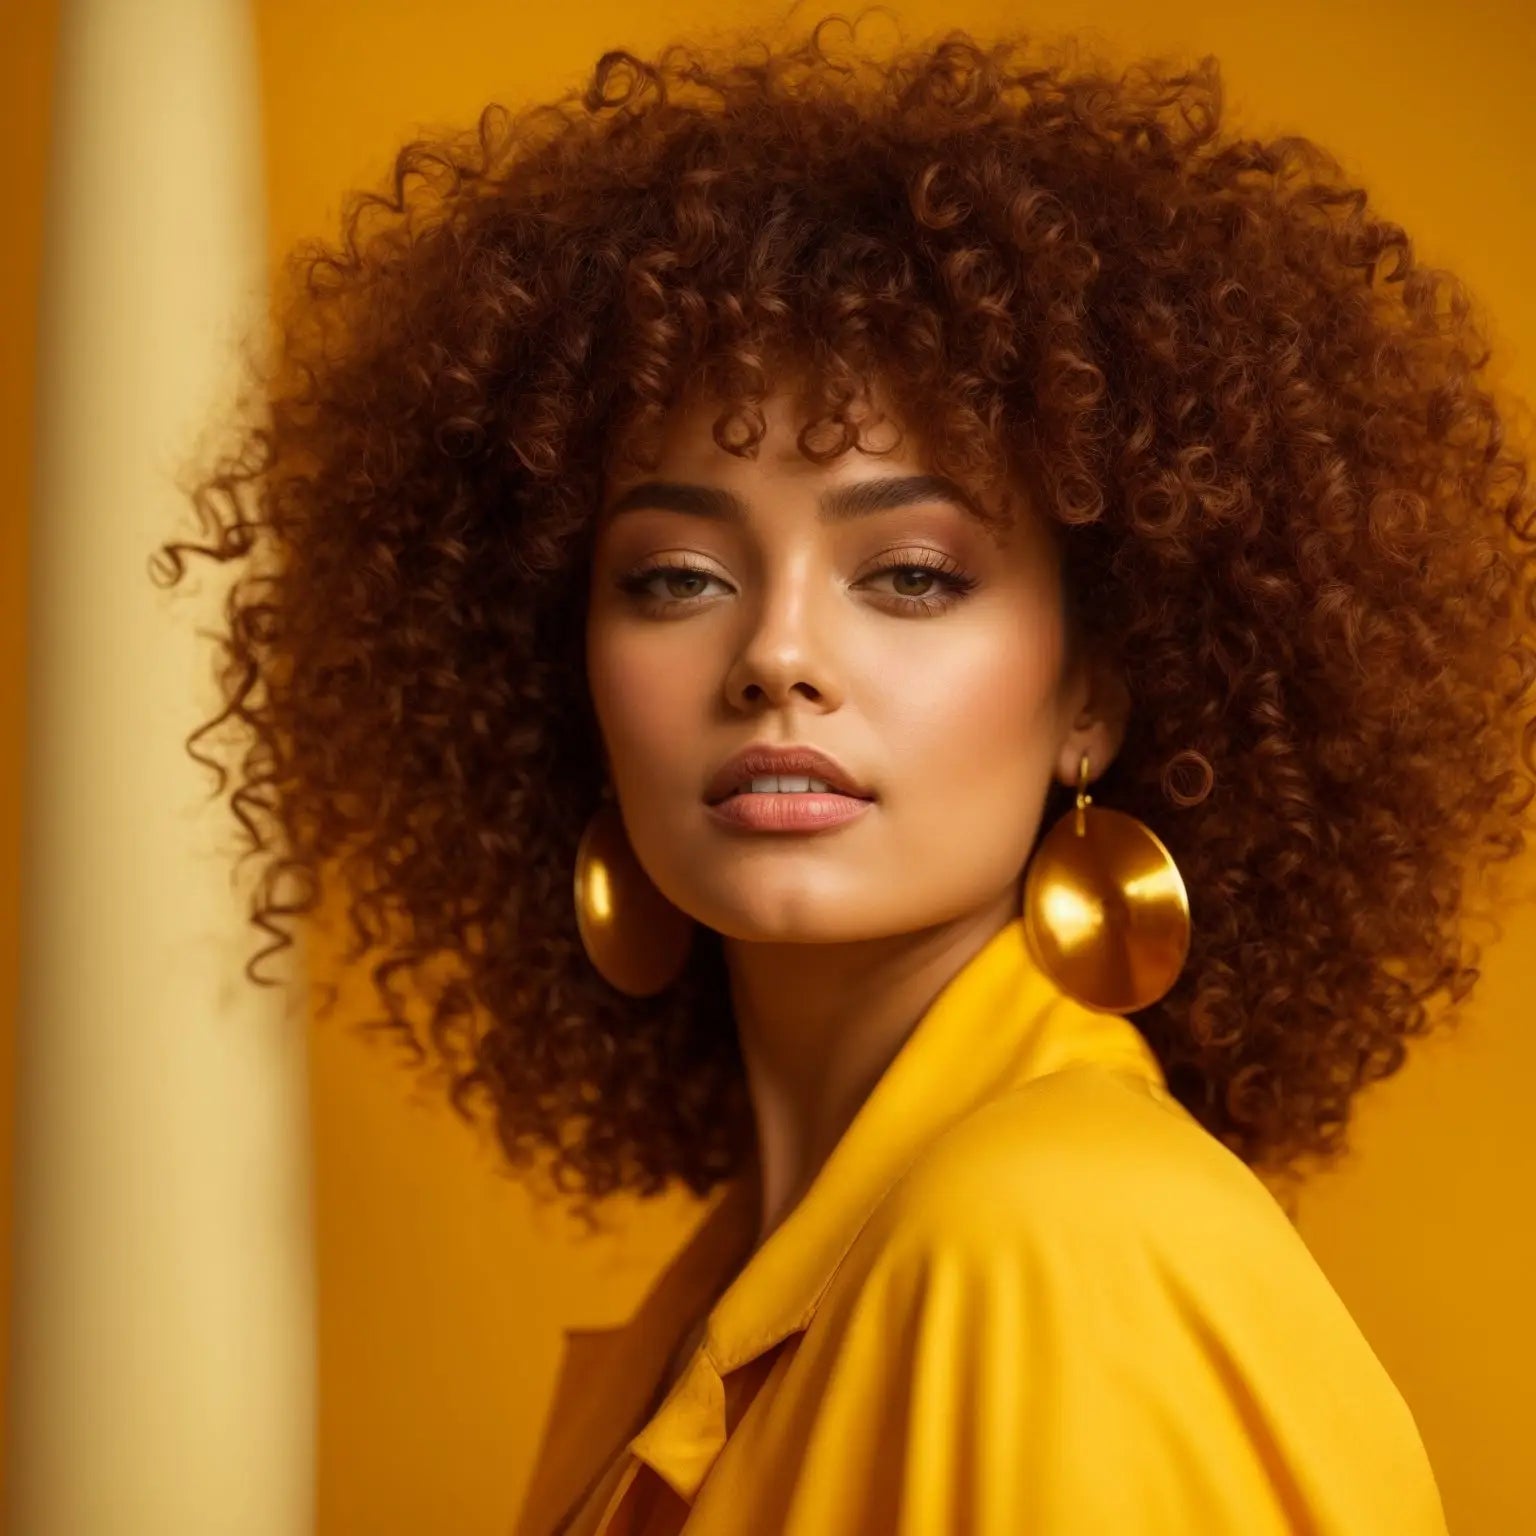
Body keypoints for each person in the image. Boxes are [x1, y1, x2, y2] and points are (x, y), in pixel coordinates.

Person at [154, 13, 1535, 1533]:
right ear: (567, 676)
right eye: (677, 576)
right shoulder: (752, 1288)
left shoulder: (1052, 1250)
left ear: (1091, 698)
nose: (777, 656)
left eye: (915, 575)